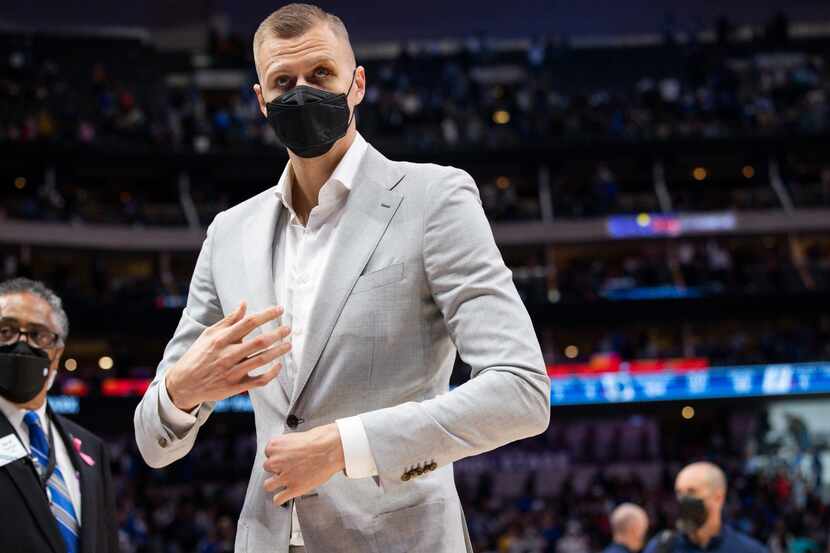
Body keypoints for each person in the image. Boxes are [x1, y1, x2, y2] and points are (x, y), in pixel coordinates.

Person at [133, 3, 550, 553]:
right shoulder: (229, 234)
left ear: (357, 85)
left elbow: (521, 391)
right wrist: (183, 391)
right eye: (283, 81)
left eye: (321, 74)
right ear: (261, 101)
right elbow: (154, 443)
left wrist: (345, 445)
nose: (302, 92)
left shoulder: (434, 199)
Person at [0, 278, 118, 553]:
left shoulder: (91, 447)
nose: (21, 343)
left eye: (38, 335)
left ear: (57, 354)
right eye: (6, 331)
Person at [643, 462, 767, 553]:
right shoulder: (661, 548)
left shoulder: (749, 550)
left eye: (692, 492)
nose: (683, 500)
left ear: (718, 497)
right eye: (679, 493)